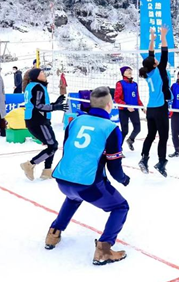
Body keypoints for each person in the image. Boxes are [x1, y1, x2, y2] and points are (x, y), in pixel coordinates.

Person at [45, 87, 129, 265]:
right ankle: (104, 250)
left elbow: (70, 149)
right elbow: (114, 167)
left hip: (63, 179)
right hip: (88, 186)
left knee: (73, 198)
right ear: (109, 105)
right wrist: (123, 179)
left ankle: (53, 234)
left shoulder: (76, 121)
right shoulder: (111, 128)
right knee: (120, 207)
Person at [20, 68, 68, 181]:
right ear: (36, 76)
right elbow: (39, 106)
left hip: (37, 120)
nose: (44, 74)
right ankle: (30, 164)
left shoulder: (33, 86)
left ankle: (47, 171)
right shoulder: (37, 87)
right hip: (38, 121)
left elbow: (40, 105)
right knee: (53, 146)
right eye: (41, 73)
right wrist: (56, 107)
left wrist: (56, 103)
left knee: (51, 145)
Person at [138, 28, 172, 177]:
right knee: (163, 137)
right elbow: (165, 51)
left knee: (151, 135)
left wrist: (152, 38)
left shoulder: (148, 72)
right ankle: (161, 162)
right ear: (154, 64)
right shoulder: (160, 70)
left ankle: (144, 159)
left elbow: (150, 54)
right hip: (160, 108)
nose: (158, 60)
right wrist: (163, 36)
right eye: (156, 61)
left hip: (151, 108)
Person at [114, 66, 144, 151]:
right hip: (124, 110)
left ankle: (130, 140)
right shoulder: (120, 83)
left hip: (134, 109)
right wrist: (126, 106)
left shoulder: (135, 84)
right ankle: (118, 148)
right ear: (123, 73)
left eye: (130, 70)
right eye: (127, 70)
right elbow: (117, 98)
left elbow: (137, 98)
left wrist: (142, 107)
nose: (129, 71)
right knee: (124, 131)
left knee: (137, 129)